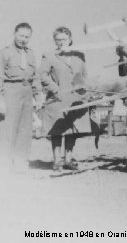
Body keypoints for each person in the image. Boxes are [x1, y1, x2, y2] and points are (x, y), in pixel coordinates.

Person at [39, 26, 97, 171]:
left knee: (72, 130)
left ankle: (68, 160)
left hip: (76, 98)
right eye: (57, 40)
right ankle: (57, 161)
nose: (61, 42)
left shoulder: (79, 55)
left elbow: (85, 75)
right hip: (57, 98)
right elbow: (43, 75)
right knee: (57, 130)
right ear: (54, 41)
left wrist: (86, 89)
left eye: (64, 39)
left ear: (70, 39)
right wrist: (55, 89)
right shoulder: (49, 55)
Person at [0, 22, 42, 171]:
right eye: (21, 35)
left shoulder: (30, 53)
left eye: (27, 37)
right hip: (10, 90)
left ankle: (20, 161)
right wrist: (0, 100)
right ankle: (4, 161)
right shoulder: (4, 52)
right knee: (8, 128)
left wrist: (38, 95)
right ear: (14, 34)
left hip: (27, 91)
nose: (23, 39)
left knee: (25, 128)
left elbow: (35, 76)